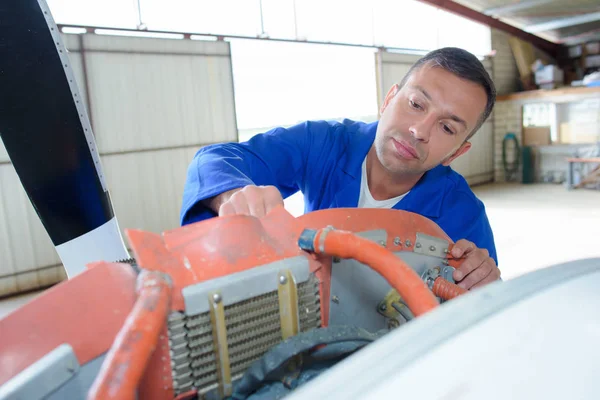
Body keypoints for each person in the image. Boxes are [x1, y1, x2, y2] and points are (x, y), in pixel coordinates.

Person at [180, 47, 501, 290]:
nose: (419, 130)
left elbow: (481, 312)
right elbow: (216, 159)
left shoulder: (464, 216)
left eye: (447, 128)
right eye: (416, 104)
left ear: (457, 152)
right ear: (389, 98)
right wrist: (232, 194)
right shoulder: (324, 143)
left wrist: (481, 279)